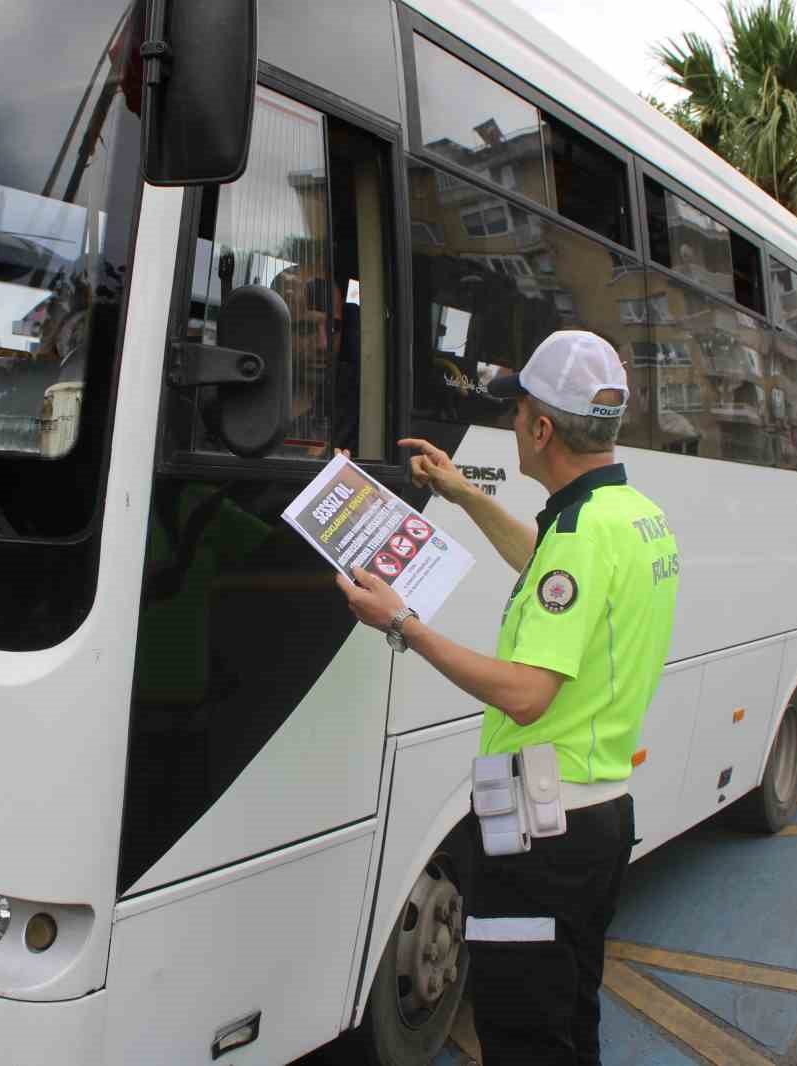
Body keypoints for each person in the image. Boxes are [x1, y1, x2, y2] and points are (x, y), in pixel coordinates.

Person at [336, 331, 680, 1066]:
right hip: (598, 817)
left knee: (525, 1033)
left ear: (542, 428)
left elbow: (527, 695)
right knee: (567, 1015)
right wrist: (463, 494)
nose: (511, 424)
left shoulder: (584, 535)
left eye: (516, 410)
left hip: (544, 838)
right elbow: (546, 563)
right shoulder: (627, 516)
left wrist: (401, 623)